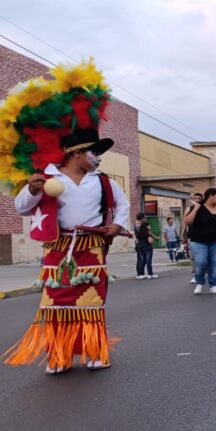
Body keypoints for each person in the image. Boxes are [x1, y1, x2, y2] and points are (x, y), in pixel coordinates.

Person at [1, 60, 130, 374]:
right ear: (76, 153)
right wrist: (32, 191)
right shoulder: (43, 179)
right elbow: (21, 208)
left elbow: (123, 206)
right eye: (94, 152)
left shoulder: (105, 182)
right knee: (55, 304)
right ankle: (59, 355)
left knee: (90, 305)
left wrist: (117, 225)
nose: (98, 158)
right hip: (57, 250)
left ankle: (94, 353)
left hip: (92, 249)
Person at [184, 188, 216, 295]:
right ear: (210, 196)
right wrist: (196, 208)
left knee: (213, 263)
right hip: (199, 241)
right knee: (201, 262)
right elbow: (187, 221)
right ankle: (200, 282)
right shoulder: (197, 208)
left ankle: (213, 285)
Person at [184, 192, 204, 284]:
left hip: (203, 237)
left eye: (199, 199)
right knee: (192, 257)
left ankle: (204, 272)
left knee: (202, 257)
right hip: (191, 236)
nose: (197, 200)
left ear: (202, 199)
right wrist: (183, 236)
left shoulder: (205, 209)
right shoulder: (189, 209)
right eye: (195, 198)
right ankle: (195, 275)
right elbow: (185, 222)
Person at [134, 213, 159, 279]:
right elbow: (148, 232)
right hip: (146, 244)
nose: (146, 217)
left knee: (142, 260)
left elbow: (138, 234)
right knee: (148, 260)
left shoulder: (136, 224)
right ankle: (150, 274)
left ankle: (141, 274)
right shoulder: (145, 224)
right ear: (142, 218)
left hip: (139, 244)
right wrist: (152, 237)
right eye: (145, 216)